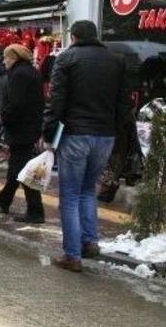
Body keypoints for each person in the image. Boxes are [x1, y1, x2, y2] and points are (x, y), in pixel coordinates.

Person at [44, 20, 128, 273]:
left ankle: (72, 255)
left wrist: (49, 133)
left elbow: (56, 99)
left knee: (69, 196)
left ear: (74, 36)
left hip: (75, 134)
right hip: (105, 135)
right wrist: (119, 133)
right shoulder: (116, 61)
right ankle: (90, 242)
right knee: (88, 190)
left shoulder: (67, 59)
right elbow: (123, 103)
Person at [0, 44, 45, 224]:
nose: (3, 61)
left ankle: (35, 210)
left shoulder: (19, 75)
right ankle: (4, 201)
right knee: (17, 167)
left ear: (14, 58)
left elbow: (16, 103)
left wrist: (4, 118)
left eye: (6, 57)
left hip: (20, 129)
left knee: (23, 170)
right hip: (29, 127)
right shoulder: (32, 72)